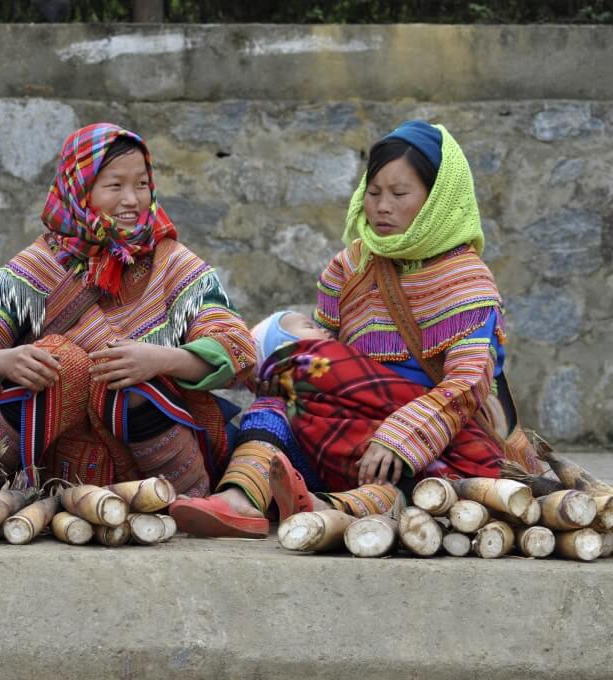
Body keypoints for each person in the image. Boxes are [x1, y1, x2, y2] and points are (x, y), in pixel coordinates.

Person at [172, 121, 542, 538]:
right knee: (278, 407)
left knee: (419, 480)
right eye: (374, 192)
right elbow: (324, 362)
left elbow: (469, 381)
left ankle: (322, 507)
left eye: (400, 194)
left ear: (438, 199)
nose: (382, 206)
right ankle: (238, 502)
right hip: (343, 428)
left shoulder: (467, 282)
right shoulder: (348, 269)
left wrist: (400, 436)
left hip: (432, 441)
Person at [0, 123, 256, 494]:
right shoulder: (41, 265)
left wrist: (161, 360)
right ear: (80, 191)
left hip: (147, 464)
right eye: (115, 186)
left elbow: (236, 346)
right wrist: (3, 362)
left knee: (127, 379)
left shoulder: (172, 264)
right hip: (50, 461)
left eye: (141, 184)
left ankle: (186, 500)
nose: (132, 200)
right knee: (59, 360)